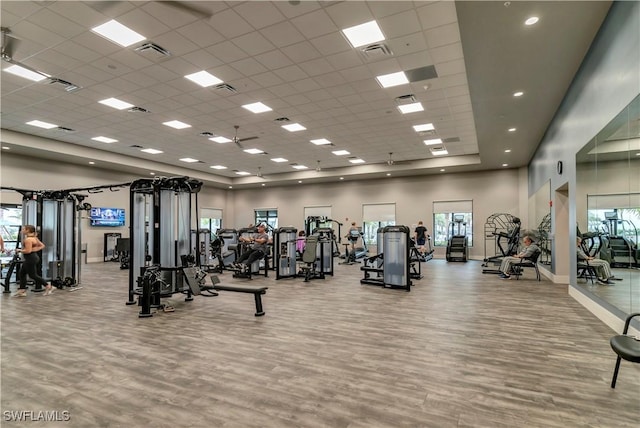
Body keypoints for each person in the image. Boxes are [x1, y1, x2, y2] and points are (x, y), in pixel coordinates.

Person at [13, 225, 55, 297]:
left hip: (30, 258)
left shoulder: (28, 240)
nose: (22, 230)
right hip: (32, 258)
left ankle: (48, 286)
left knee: (33, 275)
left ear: (28, 230)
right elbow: (42, 245)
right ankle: (22, 290)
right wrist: (34, 250)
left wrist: (19, 250)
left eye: (23, 229)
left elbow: (28, 251)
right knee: (22, 273)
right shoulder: (34, 238)